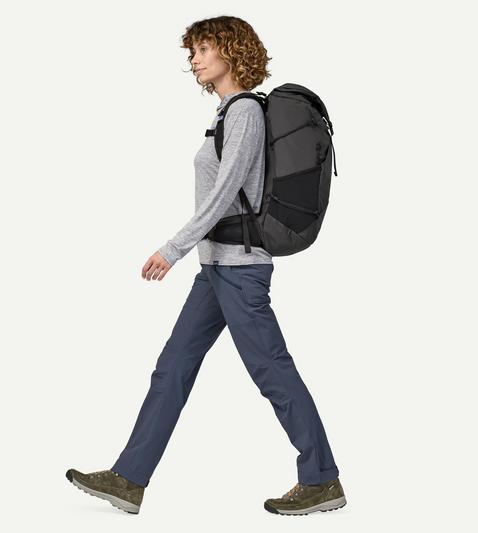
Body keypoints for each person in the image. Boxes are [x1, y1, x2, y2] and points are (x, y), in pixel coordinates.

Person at [66, 15, 346, 516]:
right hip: (216, 268)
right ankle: (129, 479)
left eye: (202, 49)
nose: (193, 60)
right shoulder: (226, 113)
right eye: (191, 51)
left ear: (230, 51)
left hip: (240, 269)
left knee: (271, 370)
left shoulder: (245, 112)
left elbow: (223, 193)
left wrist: (172, 248)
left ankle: (322, 478)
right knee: (173, 366)